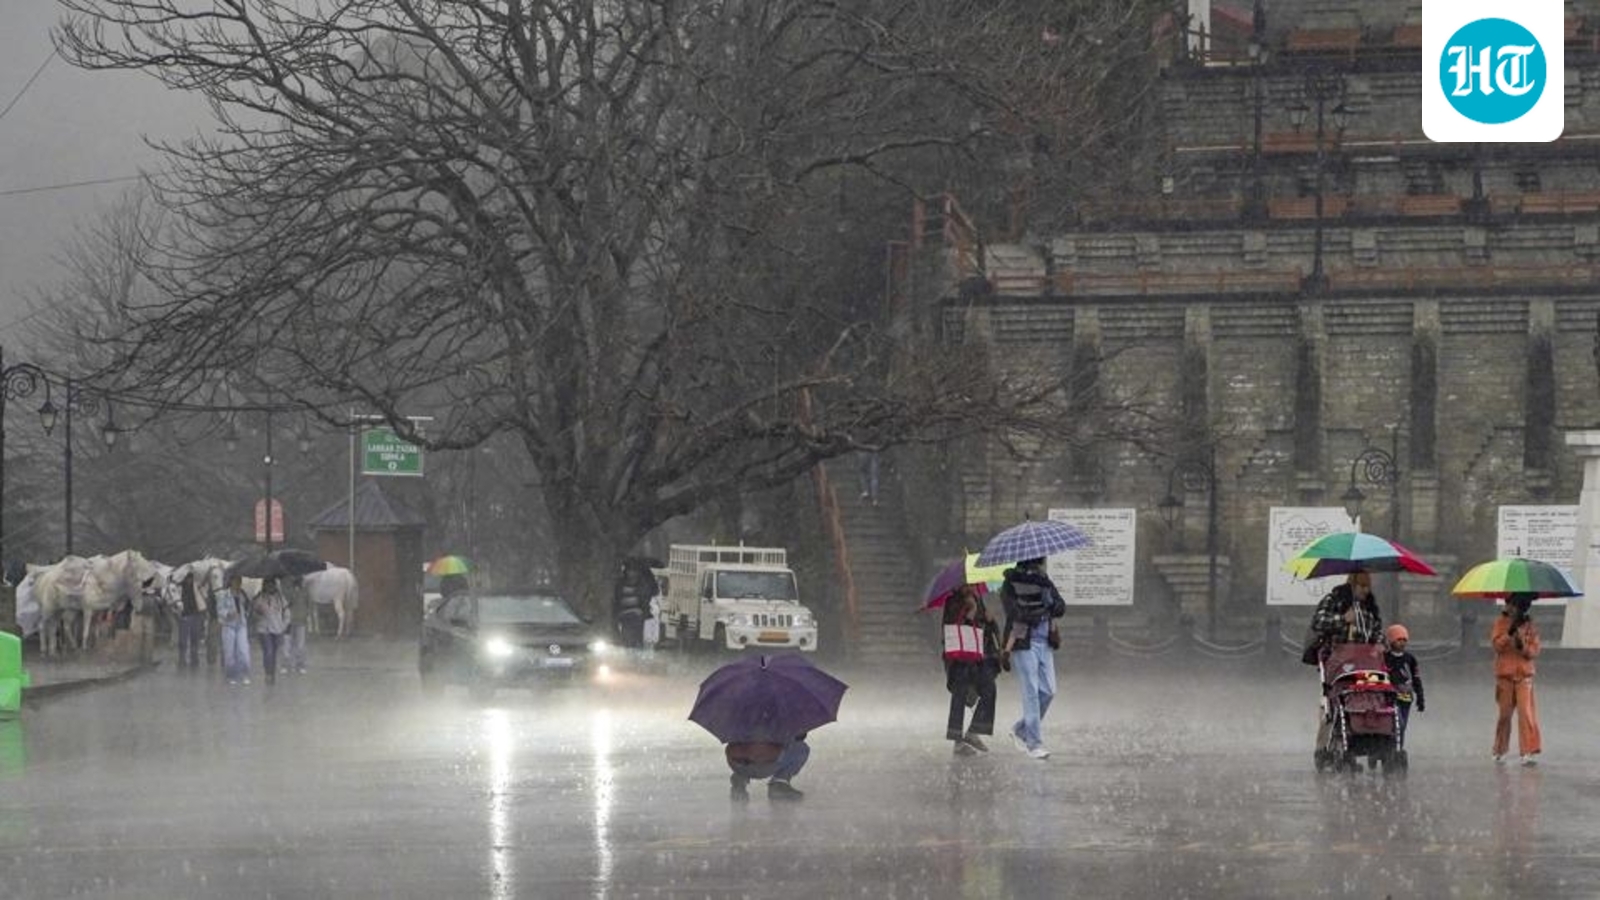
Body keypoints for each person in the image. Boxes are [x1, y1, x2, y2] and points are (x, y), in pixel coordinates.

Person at [1308, 572, 1383, 754]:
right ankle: (1322, 747)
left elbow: (1376, 630)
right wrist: (1342, 620)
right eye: (1362, 587)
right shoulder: (1334, 600)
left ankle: (1367, 729)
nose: (1366, 591)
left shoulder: (1369, 607)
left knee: (1369, 693)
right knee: (1331, 703)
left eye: (1368, 587)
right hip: (1337, 660)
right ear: (1353, 585)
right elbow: (1318, 622)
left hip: (1364, 661)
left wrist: (1380, 643)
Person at [999, 557, 1066, 760]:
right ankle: (1034, 744)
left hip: (1044, 641)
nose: (1038, 566)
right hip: (1023, 642)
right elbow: (1014, 611)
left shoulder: (1044, 580)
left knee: (1049, 690)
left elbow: (1060, 606)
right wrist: (1035, 612)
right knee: (1031, 692)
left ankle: (1021, 729)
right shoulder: (1009, 583)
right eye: (1037, 562)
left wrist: (1049, 603)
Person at [942, 585, 1000, 755]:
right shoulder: (952, 602)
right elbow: (954, 629)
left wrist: (989, 620)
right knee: (959, 696)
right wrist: (971, 612)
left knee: (989, 689)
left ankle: (973, 732)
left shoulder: (978, 598)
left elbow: (984, 628)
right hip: (959, 658)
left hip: (978, 656)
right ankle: (957, 741)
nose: (971, 586)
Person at [1491, 593, 1542, 765]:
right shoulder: (1500, 623)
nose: (1513, 608)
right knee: (1504, 715)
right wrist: (1509, 634)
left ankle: (1527, 751)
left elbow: (1534, 651)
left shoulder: (1530, 626)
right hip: (1505, 675)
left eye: (1517, 605)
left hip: (1524, 675)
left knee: (1525, 713)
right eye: (1511, 605)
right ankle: (1499, 749)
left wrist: (1523, 647)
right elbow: (1497, 646)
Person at [725, 735, 808, 802]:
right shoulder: (780, 718)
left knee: (743, 749)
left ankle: (740, 778)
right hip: (767, 765)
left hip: (738, 765)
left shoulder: (737, 717)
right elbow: (799, 736)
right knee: (801, 748)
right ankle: (779, 782)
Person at [1384, 623, 1425, 749]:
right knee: (1394, 725)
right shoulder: (1385, 658)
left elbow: (1416, 678)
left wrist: (1420, 697)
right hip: (1390, 698)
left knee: (1402, 727)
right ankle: (1384, 748)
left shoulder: (1410, 659)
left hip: (1406, 699)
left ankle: (1398, 750)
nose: (1402, 643)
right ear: (1391, 641)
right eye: (1398, 640)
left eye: (1404, 640)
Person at [252, 577, 290, 686]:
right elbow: (253, 615)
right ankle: (268, 673)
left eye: (272, 585)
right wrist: (258, 611)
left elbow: (287, 613)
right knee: (268, 651)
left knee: (273, 653)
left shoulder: (280, 598)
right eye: (267, 585)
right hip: (264, 630)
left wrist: (284, 625)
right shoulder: (259, 598)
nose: (270, 587)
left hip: (277, 630)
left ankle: (271, 672)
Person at [216, 573, 252, 686]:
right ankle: (231, 675)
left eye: (239, 581)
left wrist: (246, 613)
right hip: (228, 626)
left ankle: (244, 673)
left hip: (241, 625)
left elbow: (247, 608)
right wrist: (228, 614)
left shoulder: (243, 594)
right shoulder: (222, 594)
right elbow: (220, 611)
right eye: (236, 581)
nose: (238, 583)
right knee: (230, 653)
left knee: (243, 651)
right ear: (230, 581)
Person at [175, 571, 204, 669]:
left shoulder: (196, 587)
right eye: (188, 578)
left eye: (191, 578)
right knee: (183, 639)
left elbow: (202, 598)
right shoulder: (180, 588)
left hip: (195, 615)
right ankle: (182, 660)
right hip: (184, 615)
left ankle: (194, 659)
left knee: (194, 638)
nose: (189, 580)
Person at [282, 576, 311, 675]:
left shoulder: (305, 592)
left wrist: (306, 615)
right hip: (289, 622)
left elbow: (308, 605)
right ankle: (286, 665)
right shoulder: (289, 592)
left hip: (300, 621)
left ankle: (300, 665)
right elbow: (286, 604)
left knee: (300, 645)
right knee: (287, 645)